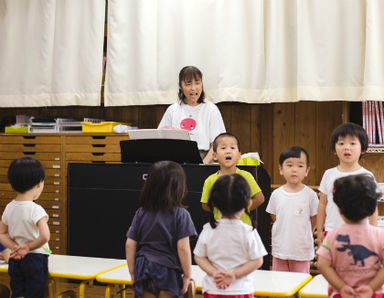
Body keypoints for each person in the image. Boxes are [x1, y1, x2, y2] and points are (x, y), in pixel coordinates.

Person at [125, 160, 197, 298]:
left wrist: (133, 272)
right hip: (167, 270)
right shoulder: (181, 214)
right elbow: (183, 247)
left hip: (143, 267)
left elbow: (130, 244)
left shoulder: (141, 212)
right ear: (179, 188)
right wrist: (187, 275)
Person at [194, 174, 267, 296]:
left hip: (213, 289)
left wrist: (214, 273)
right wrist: (234, 275)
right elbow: (257, 260)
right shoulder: (248, 231)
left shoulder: (208, 229)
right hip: (241, 290)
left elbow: (199, 257)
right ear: (249, 203)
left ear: (214, 204)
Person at [317, 174, 384, 297]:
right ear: (372, 208)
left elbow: (322, 264)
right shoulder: (380, 236)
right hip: (372, 294)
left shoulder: (332, 236)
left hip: (341, 294)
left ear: (340, 210)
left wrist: (342, 287)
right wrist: (370, 288)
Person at [316, 122, 378, 246]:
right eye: (341, 143)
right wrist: (319, 231)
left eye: (352, 143)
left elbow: (373, 207)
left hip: (361, 234)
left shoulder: (368, 176)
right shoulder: (328, 174)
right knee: (331, 264)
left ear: (363, 149)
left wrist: (373, 232)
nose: (346, 147)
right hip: (332, 231)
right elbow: (322, 204)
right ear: (334, 149)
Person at [0, 157, 50, 298]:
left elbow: (1, 233)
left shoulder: (9, 207)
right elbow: (45, 236)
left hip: (15, 258)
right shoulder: (36, 209)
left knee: (18, 292)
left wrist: (15, 246)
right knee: (34, 293)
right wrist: (28, 247)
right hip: (35, 258)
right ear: (39, 184)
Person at [266, 146, 318, 273]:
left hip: (301, 250)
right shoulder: (276, 194)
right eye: (289, 165)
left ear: (307, 170)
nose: (294, 169)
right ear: (281, 169)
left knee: (300, 283)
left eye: (300, 166)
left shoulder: (310, 195)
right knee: (280, 285)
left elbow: (315, 218)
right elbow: (274, 216)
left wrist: (307, 231)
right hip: (280, 250)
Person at [158, 66, 226, 164]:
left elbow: (217, 144)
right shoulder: (172, 110)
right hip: (175, 161)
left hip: (204, 159)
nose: (193, 88)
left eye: (197, 83)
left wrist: (202, 165)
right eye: (188, 84)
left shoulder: (211, 109)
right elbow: (160, 140)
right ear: (180, 86)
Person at [200, 132, 264, 226]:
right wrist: (221, 208)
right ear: (214, 156)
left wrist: (242, 209)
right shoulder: (210, 180)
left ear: (239, 155)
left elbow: (260, 199)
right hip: (220, 228)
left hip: (243, 228)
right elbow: (205, 204)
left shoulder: (246, 176)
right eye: (223, 148)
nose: (228, 151)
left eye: (232, 148)